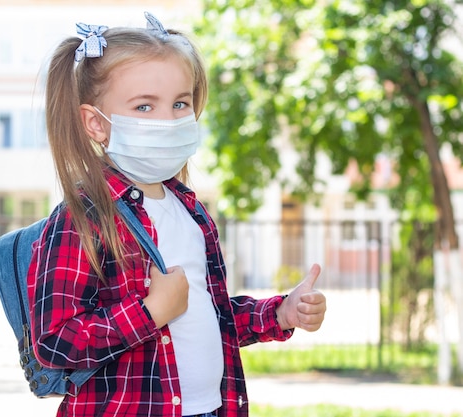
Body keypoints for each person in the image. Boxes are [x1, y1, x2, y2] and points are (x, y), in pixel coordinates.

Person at [27, 12, 326, 417]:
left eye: (180, 103)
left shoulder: (192, 212)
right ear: (96, 123)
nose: (168, 119)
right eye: (145, 106)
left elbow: (210, 317)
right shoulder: (84, 218)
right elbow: (54, 342)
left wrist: (280, 313)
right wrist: (149, 312)